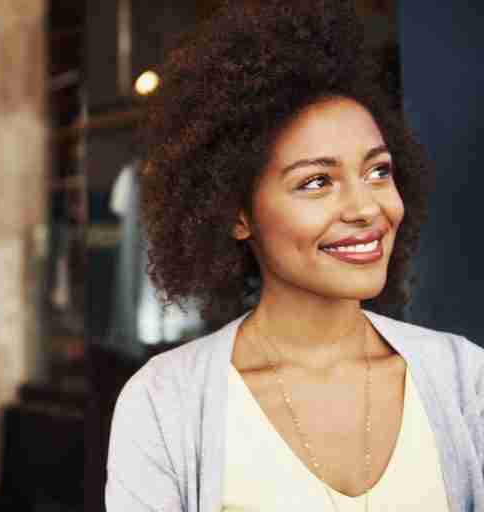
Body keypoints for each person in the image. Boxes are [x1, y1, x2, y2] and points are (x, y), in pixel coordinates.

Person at [104, 1, 484, 511]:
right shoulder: (163, 403)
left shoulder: (464, 379)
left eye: (377, 171)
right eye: (317, 182)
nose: (366, 207)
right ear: (237, 214)